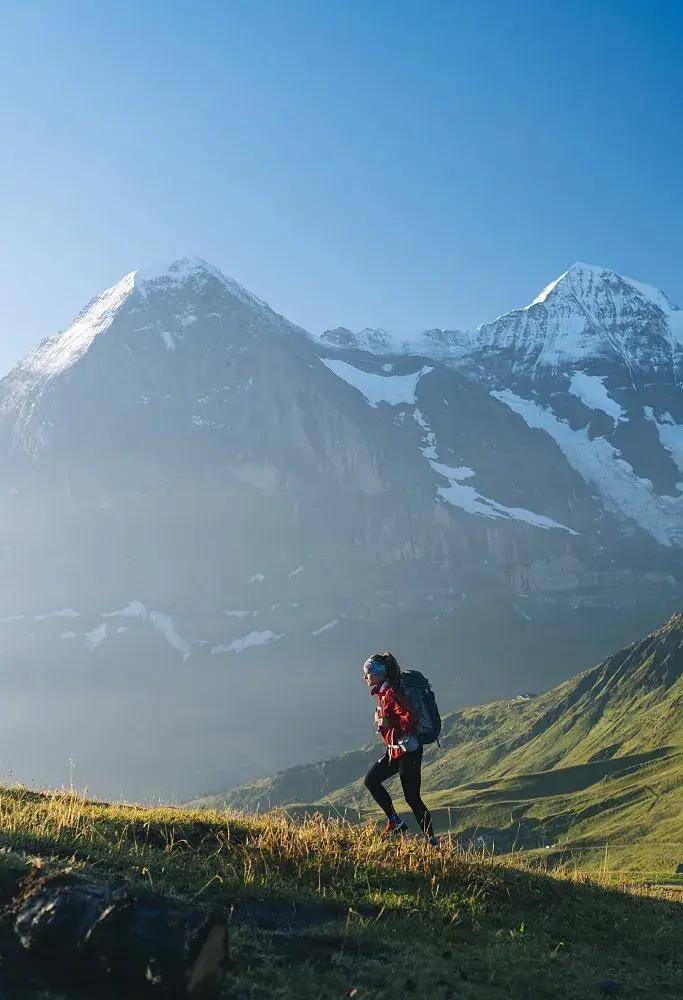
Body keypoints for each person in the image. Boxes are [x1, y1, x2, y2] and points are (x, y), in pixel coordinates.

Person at [362, 652, 436, 842]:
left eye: (368, 673)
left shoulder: (391, 693)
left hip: (408, 751)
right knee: (371, 780)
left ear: (379, 674)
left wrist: (393, 725)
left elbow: (410, 717)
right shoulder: (383, 693)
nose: (365, 677)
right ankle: (395, 821)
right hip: (396, 750)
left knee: (412, 798)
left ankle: (431, 841)